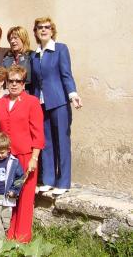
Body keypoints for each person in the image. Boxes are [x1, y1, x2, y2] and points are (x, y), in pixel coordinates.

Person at [0, 65, 44, 243]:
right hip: (4, 159)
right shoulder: (0, 103)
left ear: (24, 83)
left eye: (18, 81)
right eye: (11, 80)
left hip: (25, 157)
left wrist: (34, 158)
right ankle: (6, 232)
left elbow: (38, 133)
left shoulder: (32, 102)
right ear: (6, 82)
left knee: (25, 196)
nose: (14, 84)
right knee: (5, 195)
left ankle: (22, 237)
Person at [30, 17, 83, 195]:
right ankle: (49, 180)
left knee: (61, 140)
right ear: (36, 32)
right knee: (46, 142)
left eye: (47, 27)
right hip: (40, 103)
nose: (43, 30)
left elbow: (66, 74)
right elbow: (35, 82)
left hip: (59, 101)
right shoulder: (34, 55)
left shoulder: (60, 49)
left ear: (52, 31)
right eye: (40, 28)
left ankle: (63, 181)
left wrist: (73, 94)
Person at [2, 26, 33, 92]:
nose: (12, 41)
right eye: (10, 39)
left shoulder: (31, 56)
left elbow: (31, 78)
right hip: (10, 95)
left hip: (28, 93)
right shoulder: (7, 58)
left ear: (23, 39)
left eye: (15, 38)